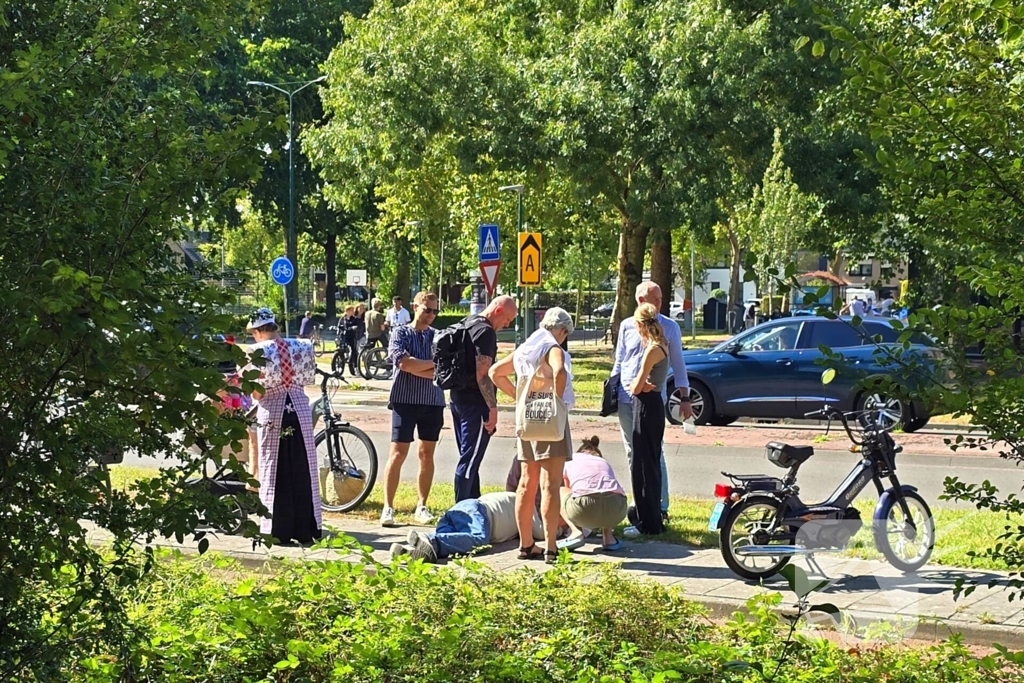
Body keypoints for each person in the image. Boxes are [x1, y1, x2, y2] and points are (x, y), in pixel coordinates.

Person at [489, 307, 574, 563]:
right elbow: (560, 371)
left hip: (528, 421)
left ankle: (526, 544)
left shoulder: (526, 348)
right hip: (550, 422)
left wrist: (520, 399)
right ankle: (551, 547)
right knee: (551, 484)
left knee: (526, 482)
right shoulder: (553, 348)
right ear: (562, 330)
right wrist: (555, 401)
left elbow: (495, 372)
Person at [610, 281, 692, 530]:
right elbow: (620, 361)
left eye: (660, 298)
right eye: (653, 299)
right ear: (640, 300)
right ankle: (641, 503)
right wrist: (612, 391)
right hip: (626, 399)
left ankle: (658, 506)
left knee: (654, 453)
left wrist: (685, 397)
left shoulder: (669, 328)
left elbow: (679, 365)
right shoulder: (627, 325)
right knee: (632, 452)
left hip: (650, 399)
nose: (658, 303)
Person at [244, 308, 322, 545]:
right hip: (300, 409)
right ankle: (305, 527)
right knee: (302, 466)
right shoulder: (303, 346)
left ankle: (277, 528)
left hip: (273, 411)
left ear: (258, 331)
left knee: (274, 467)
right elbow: (307, 380)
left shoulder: (257, 352)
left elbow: (257, 393)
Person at [379, 291, 444, 527]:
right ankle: (388, 507)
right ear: (415, 307)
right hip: (404, 400)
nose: (431, 315)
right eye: (427, 310)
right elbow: (404, 363)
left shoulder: (438, 336)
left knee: (426, 454)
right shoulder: (401, 332)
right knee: (398, 453)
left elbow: (443, 371)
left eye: (435, 311)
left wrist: (421, 367)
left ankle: (422, 505)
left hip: (432, 401)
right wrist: (430, 367)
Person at [449, 295, 517, 502]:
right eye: (507, 319)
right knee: (469, 462)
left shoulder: (467, 323)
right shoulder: (486, 332)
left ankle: (472, 502)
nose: (507, 324)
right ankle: (460, 510)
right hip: (476, 404)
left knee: (470, 458)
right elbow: (483, 373)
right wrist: (493, 408)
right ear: (498, 310)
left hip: (457, 398)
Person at [390, 491, 544, 563]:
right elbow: (542, 533)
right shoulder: (526, 505)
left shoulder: (513, 497)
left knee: (445, 549)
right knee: (480, 540)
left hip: (459, 512)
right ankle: (429, 539)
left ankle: (411, 551)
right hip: (477, 510)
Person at [625, 303, 669, 536]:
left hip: (646, 406)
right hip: (653, 405)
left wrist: (638, 384)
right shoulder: (663, 344)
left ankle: (647, 522)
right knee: (649, 462)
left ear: (641, 325)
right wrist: (641, 384)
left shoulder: (653, 349)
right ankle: (650, 518)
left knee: (643, 465)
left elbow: (635, 386)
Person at [557, 436, 627, 552]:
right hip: (617, 509)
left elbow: (570, 490)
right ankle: (609, 538)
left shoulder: (570, 459)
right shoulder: (604, 462)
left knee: (561, 491)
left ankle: (576, 532)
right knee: (607, 490)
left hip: (585, 507)